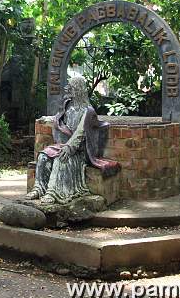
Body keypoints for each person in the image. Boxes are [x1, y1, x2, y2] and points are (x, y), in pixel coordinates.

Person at [26, 76, 118, 204]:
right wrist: (46, 119)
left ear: (77, 88)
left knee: (61, 159)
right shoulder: (67, 105)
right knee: (43, 156)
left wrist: (69, 147)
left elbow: (80, 132)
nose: (66, 88)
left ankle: (53, 192)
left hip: (79, 150)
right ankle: (39, 188)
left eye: (69, 85)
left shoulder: (88, 111)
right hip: (64, 145)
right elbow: (58, 121)